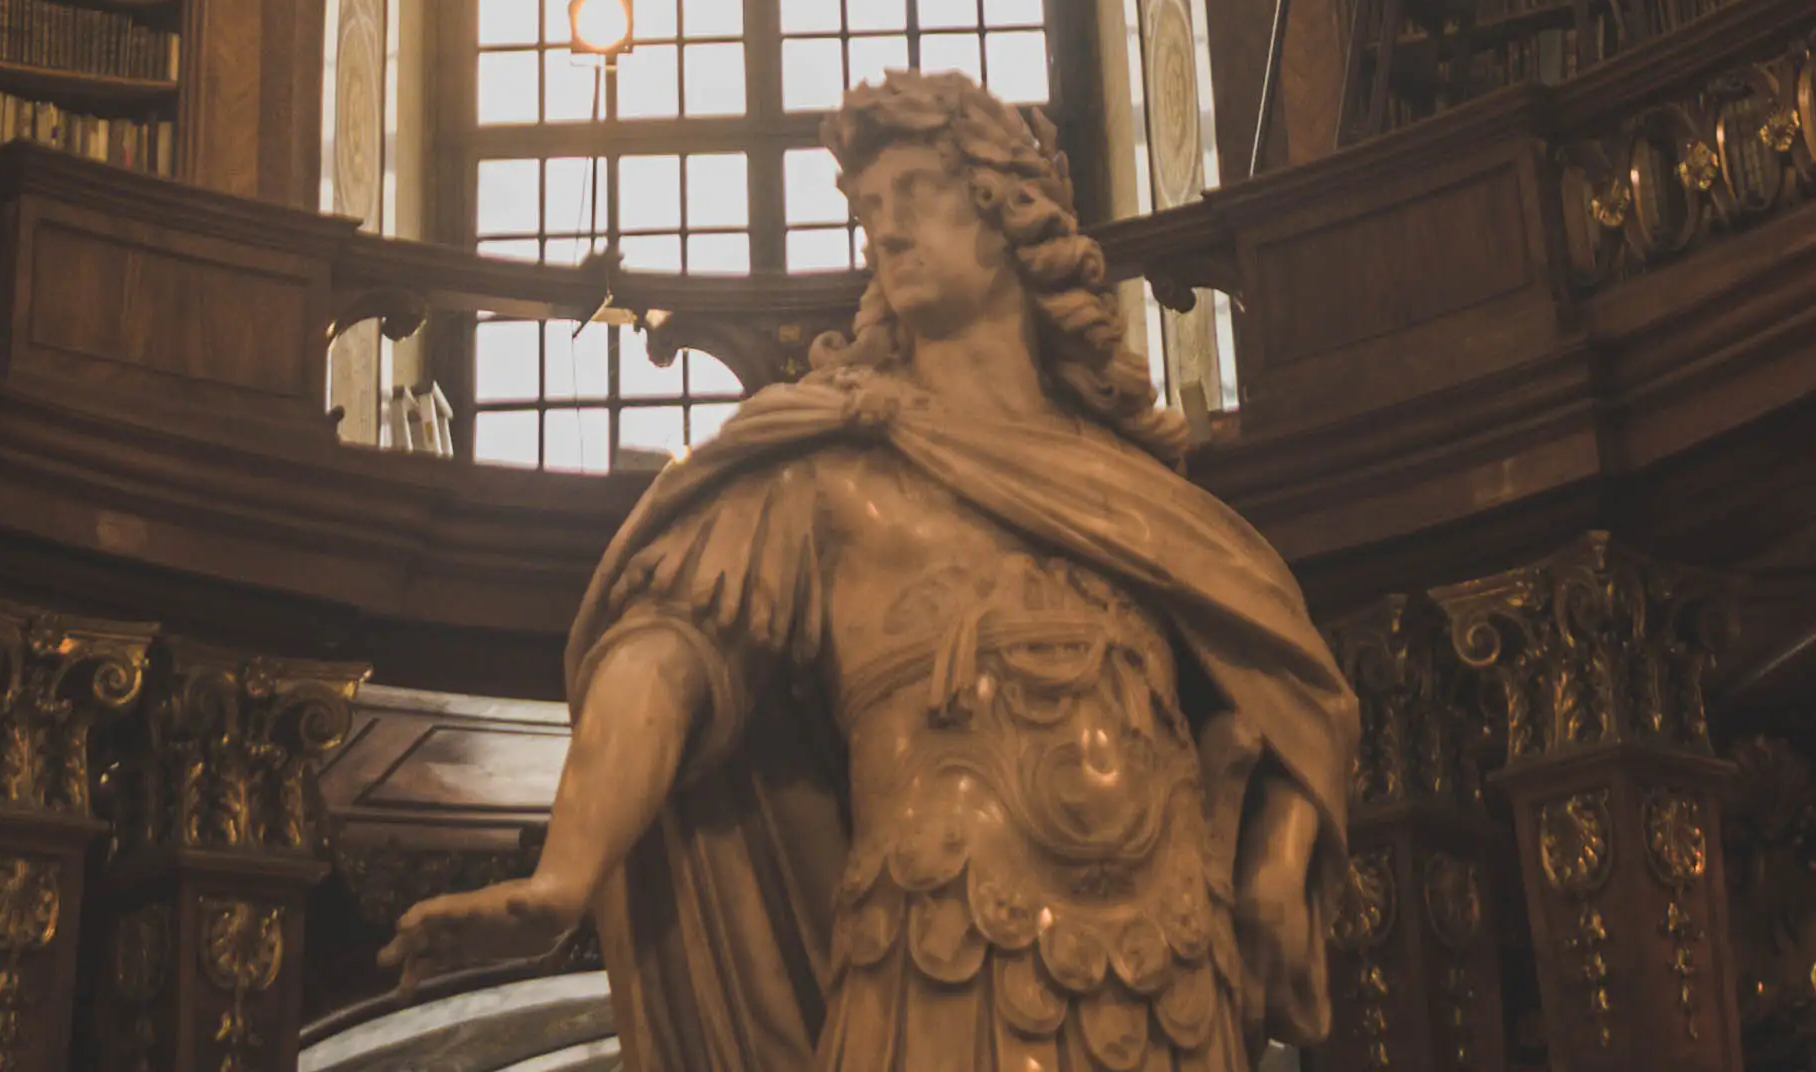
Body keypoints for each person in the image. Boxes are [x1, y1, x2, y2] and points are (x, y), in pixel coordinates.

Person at [394, 79, 1351, 1072]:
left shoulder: (1137, 497)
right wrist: (565, 875)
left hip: (1171, 983)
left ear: (1008, 208)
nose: (883, 229)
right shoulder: (821, 468)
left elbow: (1287, 697)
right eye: (866, 210)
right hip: (943, 962)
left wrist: (1278, 866)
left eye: (914, 192)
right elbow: (665, 652)